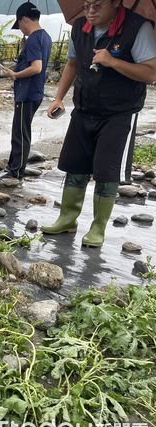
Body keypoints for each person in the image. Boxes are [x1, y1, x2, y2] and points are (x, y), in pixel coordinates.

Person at [41, 0, 156, 247]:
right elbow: (72, 63)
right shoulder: (80, 26)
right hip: (85, 108)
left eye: (97, 5)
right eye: (85, 5)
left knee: (106, 170)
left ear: (115, 2)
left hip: (120, 112)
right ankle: (67, 218)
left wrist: (113, 61)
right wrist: (58, 97)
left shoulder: (138, 28)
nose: (90, 12)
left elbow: (151, 72)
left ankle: (97, 227)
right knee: (75, 165)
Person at [0, 2, 52, 182]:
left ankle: (16, 172)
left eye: (20, 25)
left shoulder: (34, 39)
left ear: (25, 19)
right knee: (20, 130)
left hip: (27, 92)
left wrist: (14, 74)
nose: (21, 29)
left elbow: (36, 67)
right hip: (34, 92)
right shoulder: (45, 36)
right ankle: (13, 167)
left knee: (21, 133)